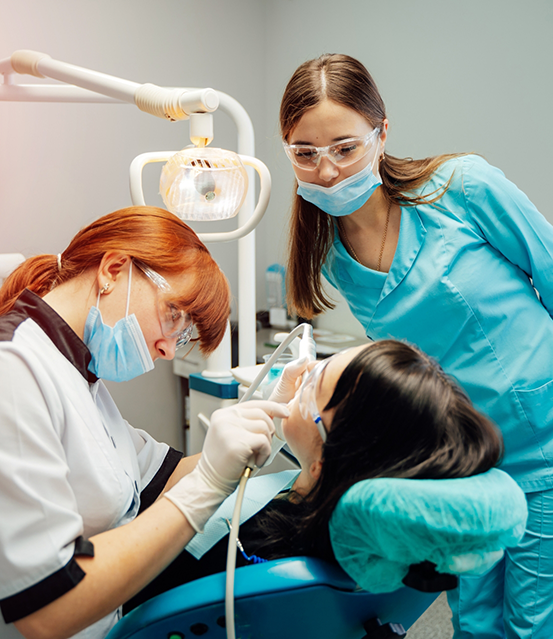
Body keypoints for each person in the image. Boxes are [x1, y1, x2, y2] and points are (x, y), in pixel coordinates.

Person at [279, 53, 553, 638]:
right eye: (306, 154)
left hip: (545, 438)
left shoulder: (463, 187)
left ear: (381, 134)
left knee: (534, 623)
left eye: (344, 148)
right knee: (474, 622)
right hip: (460, 460)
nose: (326, 172)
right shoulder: (332, 256)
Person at [0, 205, 289, 639]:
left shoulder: (78, 372)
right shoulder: (15, 367)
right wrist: (206, 487)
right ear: (114, 269)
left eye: (183, 334)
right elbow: (47, 609)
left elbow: (161, 474)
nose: (170, 349)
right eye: (173, 315)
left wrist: (276, 419)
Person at [124, 339, 505, 611]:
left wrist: (208, 479)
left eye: (316, 383)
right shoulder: (377, 545)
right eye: (324, 361)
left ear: (324, 461)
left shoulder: (252, 553)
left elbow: (131, 578)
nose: (305, 372)